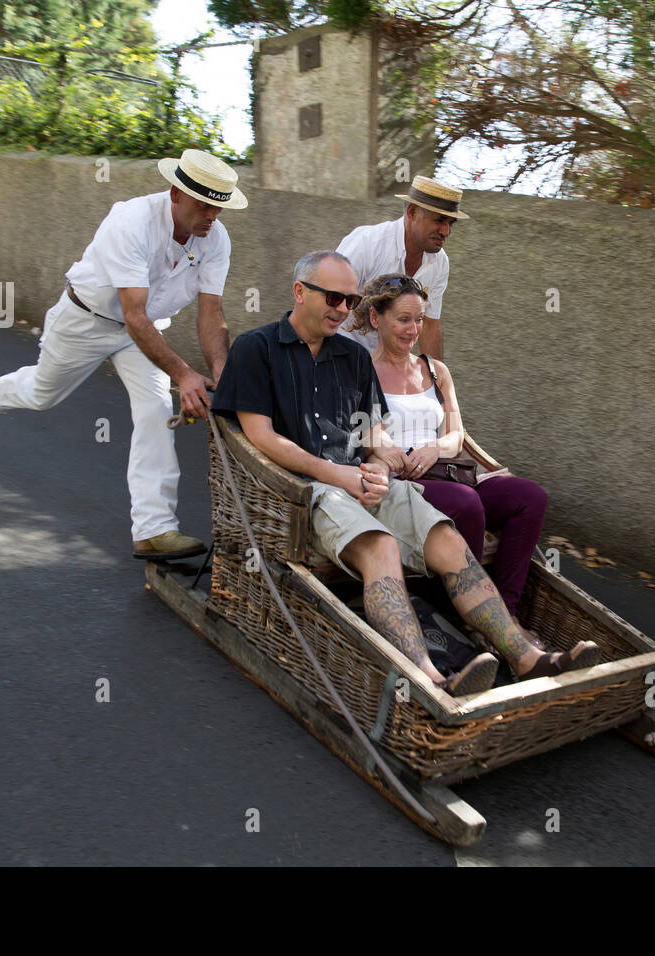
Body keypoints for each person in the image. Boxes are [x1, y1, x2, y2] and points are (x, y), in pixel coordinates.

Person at [210, 251, 601, 696]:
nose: (341, 309)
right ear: (300, 292)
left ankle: (527, 658)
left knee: (447, 539)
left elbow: (375, 438)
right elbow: (259, 435)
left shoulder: (351, 359)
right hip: (304, 490)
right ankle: (431, 679)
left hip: (361, 481)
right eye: (333, 298)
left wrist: (376, 469)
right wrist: (338, 476)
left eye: (349, 300)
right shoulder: (256, 349)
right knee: (381, 546)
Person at [0, 149, 246, 559]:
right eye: (204, 205)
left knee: (153, 411)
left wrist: (223, 375)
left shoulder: (215, 240)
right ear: (176, 193)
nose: (211, 217)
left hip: (144, 332)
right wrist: (185, 375)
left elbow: (211, 312)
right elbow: (133, 314)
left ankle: (154, 530)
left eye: (218, 209)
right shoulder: (131, 221)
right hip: (86, 321)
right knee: (44, 394)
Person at [351, 274, 550, 638]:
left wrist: (433, 448)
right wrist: (385, 447)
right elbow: (365, 435)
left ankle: (504, 613)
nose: (413, 329)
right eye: (403, 319)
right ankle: (471, 617)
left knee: (530, 497)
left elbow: (456, 437)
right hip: (402, 482)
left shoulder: (436, 371)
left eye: (419, 319)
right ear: (377, 319)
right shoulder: (359, 371)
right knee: (467, 503)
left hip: (446, 470)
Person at [334, 175, 465, 359]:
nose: (446, 231)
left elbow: (429, 324)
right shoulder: (367, 243)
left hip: (388, 369)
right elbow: (327, 301)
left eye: (451, 223)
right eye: (439, 220)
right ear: (411, 212)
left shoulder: (440, 262)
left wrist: (435, 381)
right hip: (339, 357)